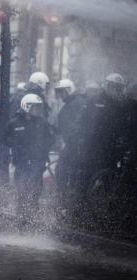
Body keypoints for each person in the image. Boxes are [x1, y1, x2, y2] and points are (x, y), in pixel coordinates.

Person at [74, 73, 128, 209]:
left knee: (108, 181)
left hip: (111, 150)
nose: (116, 91)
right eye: (114, 87)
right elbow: (81, 122)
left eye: (119, 88)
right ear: (107, 86)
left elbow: (124, 126)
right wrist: (83, 139)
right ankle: (79, 209)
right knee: (86, 177)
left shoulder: (122, 105)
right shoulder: (94, 101)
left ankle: (104, 211)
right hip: (92, 148)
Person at [5, 94, 55, 224]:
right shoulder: (14, 123)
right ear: (26, 107)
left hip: (37, 164)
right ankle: (21, 220)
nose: (37, 110)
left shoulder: (42, 123)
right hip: (21, 164)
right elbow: (5, 139)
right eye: (34, 107)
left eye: (39, 107)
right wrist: (15, 143)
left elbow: (50, 139)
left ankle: (32, 220)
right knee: (21, 192)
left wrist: (43, 147)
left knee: (34, 193)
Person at [53, 79, 86, 208]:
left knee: (64, 171)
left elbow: (78, 125)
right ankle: (65, 200)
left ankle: (65, 202)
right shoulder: (71, 103)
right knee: (63, 170)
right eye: (59, 92)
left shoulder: (76, 103)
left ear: (69, 90)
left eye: (62, 92)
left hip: (75, 145)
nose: (61, 95)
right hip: (72, 144)